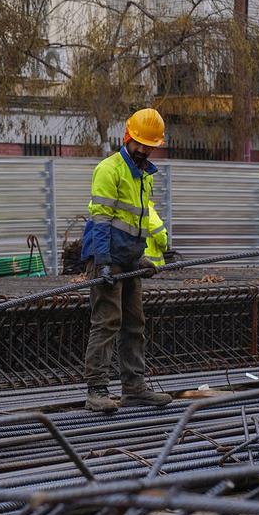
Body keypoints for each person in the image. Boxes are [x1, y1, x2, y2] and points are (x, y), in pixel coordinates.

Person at [80, 108, 174, 414]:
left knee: (135, 324)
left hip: (129, 260)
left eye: (150, 146)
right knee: (107, 322)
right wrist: (103, 262)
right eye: (140, 144)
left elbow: (137, 221)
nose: (145, 150)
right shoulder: (109, 170)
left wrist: (142, 257)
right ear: (127, 137)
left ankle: (134, 388)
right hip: (107, 258)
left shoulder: (143, 174)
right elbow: (102, 221)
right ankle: (97, 391)